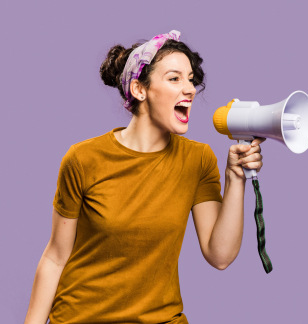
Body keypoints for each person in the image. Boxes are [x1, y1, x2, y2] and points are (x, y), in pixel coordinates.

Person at [23, 30, 264, 324]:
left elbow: (220, 255)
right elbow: (55, 256)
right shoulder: (83, 159)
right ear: (139, 90)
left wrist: (235, 178)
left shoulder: (198, 160)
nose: (189, 89)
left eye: (190, 79)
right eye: (175, 78)